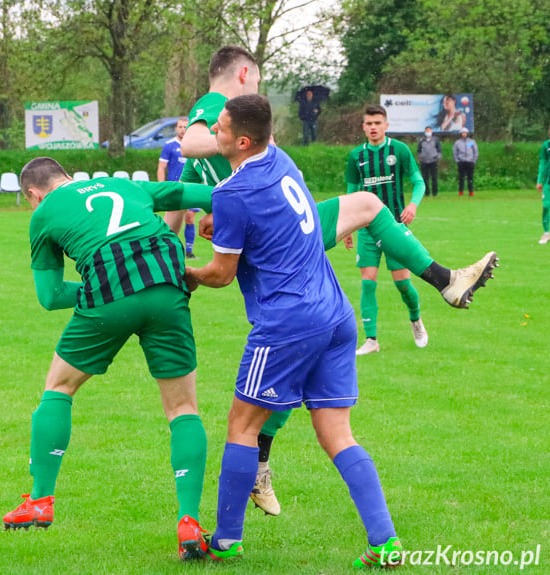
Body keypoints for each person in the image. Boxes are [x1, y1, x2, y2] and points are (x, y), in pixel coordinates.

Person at [180, 45, 498, 517]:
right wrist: (238, 149)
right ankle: (444, 280)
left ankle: (446, 280)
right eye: (256, 81)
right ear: (244, 73)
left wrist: (193, 222)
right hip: (278, 225)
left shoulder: (240, 134)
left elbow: (184, 192)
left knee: (366, 211)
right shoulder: (215, 108)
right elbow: (189, 146)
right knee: (312, 324)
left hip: (283, 218)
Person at [186, 94, 403, 567]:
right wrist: (218, 226)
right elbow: (272, 221)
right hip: (334, 313)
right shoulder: (279, 158)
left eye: (219, 128)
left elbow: (222, 274)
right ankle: (385, 544)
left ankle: (225, 541)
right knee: (337, 434)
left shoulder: (231, 193)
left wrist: (188, 274)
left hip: (288, 322)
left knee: (242, 425)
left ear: (241, 140)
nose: (211, 133)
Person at [2, 157, 216, 561]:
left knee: (59, 387)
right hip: (168, 285)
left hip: (107, 297)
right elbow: (201, 193)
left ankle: (40, 501)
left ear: (33, 193)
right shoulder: (123, 184)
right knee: (184, 408)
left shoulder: (43, 214)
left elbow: (48, 297)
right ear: (67, 175)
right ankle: (189, 521)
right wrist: (215, 215)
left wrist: (100, 290)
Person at [346, 105, 431, 356]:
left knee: (403, 284)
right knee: (368, 282)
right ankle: (371, 340)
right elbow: (351, 191)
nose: (373, 127)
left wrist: (413, 204)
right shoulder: (356, 156)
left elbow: (418, 181)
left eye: (377, 123)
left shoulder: (399, 150)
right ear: (363, 127)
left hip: (394, 227)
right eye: (369, 123)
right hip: (366, 229)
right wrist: (347, 226)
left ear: (386, 125)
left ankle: (415, 320)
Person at [159, 118, 199, 258]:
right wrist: (162, 185)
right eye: (180, 126)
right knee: (172, 217)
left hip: (191, 187)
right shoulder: (169, 145)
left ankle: (189, 251)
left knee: (189, 217)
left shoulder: (196, 145)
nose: (182, 129)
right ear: (176, 129)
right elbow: (162, 167)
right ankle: (168, 248)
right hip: (175, 188)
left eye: (185, 127)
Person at [453, 126, 478, 196]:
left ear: (467, 133)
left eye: (465, 133)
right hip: (461, 162)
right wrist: (457, 160)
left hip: (470, 162)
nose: (464, 134)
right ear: (460, 134)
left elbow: (475, 151)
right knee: (461, 178)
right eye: (462, 133)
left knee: (470, 177)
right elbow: (455, 152)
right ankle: (461, 191)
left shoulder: (472, 142)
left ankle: (471, 191)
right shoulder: (457, 142)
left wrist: (474, 160)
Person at [417, 126, 442, 197]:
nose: (428, 132)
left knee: (434, 177)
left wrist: (437, 157)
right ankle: (426, 193)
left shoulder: (436, 139)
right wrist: (420, 158)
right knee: (425, 178)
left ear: (432, 131)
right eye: (426, 131)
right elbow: (419, 150)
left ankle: (435, 193)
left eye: (429, 130)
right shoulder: (421, 140)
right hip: (424, 161)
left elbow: (439, 150)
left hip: (433, 161)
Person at [536, 127, 550, 244]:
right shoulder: (546, 146)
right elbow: (543, 163)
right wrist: (539, 180)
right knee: (546, 206)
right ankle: (546, 233)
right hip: (548, 183)